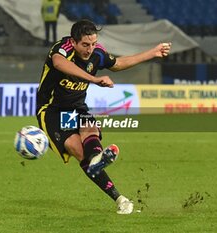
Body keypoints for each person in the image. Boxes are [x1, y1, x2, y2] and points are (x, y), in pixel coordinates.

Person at [36, 19, 171, 214]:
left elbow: (118, 64)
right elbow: (59, 63)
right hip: (51, 110)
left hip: (77, 108)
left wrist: (152, 53)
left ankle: (116, 191)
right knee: (78, 150)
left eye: (93, 44)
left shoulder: (97, 52)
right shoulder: (62, 48)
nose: (90, 49)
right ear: (73, 42)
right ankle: (115, 192)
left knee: (90, 133)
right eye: (85, 44)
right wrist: (94, 79)